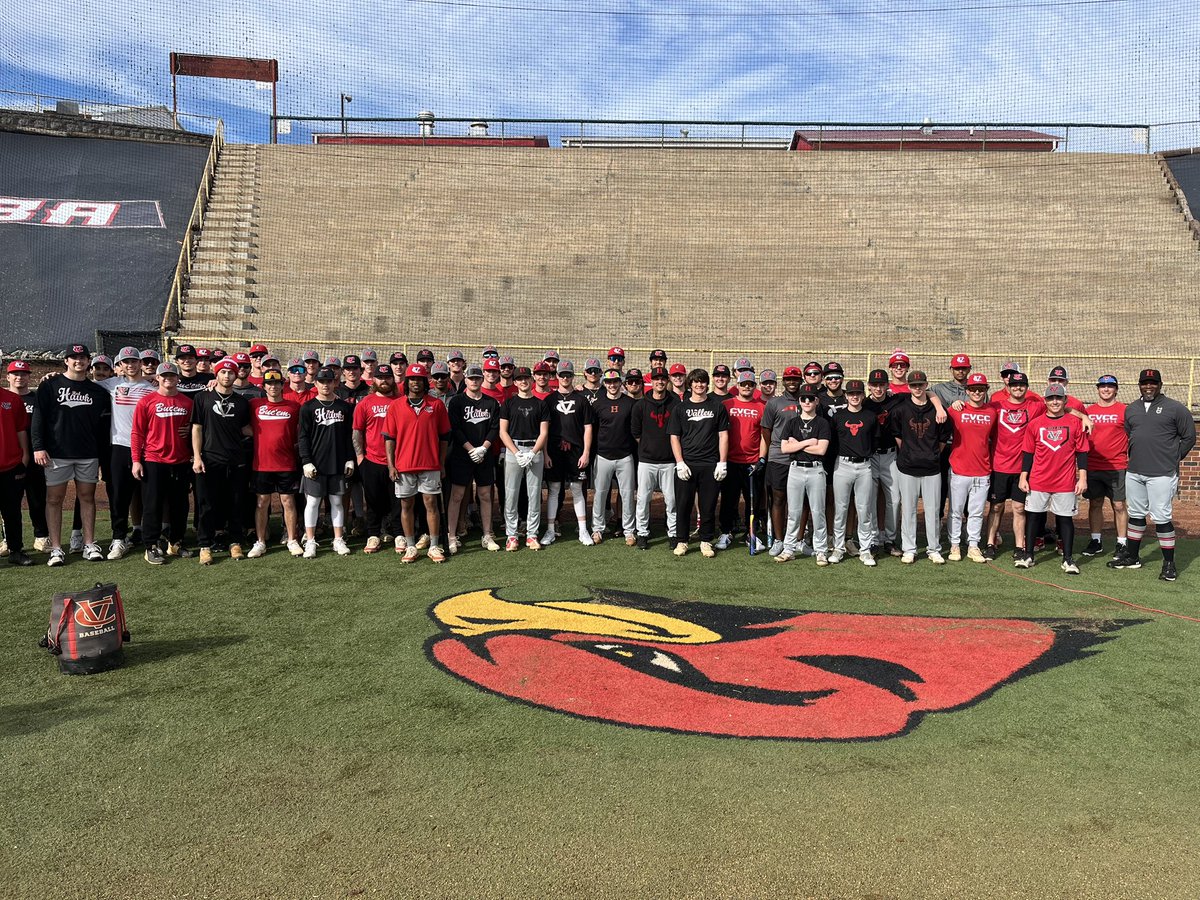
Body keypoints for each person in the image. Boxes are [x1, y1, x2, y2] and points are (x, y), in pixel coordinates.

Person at [1108, 369, 1196, 582]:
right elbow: (1131, 433)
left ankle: (1169, 564)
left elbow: (1189, 437)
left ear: (1160, 384)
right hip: (1135, 471)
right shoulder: (1133, 409)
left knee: (1161, 517)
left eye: (1153, 383)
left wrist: (1172, 458)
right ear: (1139, 385)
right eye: (1145, 383)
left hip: (1162, 474)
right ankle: (1132, 556)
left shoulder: (1175, 408)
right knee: (1136, 514)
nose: (1149, 386)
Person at [32, 344, 111, 565]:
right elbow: (38, 418)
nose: (79, 361)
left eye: (83, 357)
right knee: (54, 500)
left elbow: (102, 427)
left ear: (88, 362)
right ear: (66, 360)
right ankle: (56, 548)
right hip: (57, 453)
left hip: (87, 453)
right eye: (74, 357)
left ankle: (88, 544)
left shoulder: (97, 391)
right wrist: (38, 446)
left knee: (87, 498)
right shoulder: (50, 385)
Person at [384, 363, 452, 563]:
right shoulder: (395, 406)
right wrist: (391, 465)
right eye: (412, 379)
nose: (415, 382)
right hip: (404, 465)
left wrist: (441, 464)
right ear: (407, 382)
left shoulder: (436, 405)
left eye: (419, 379)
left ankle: (433, 545)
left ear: (425, 382)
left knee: (431, 504)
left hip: (430, 464)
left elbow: (444, 438)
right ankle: (411, 546)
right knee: (406, 505)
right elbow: (389, 438)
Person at [1018, 383, 1089, 573]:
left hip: (1064, 482)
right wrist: (1023, 477)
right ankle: (1029, 555)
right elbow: (1028, 453)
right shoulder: (1035, 424)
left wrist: (1082, 478)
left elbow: (1082, 452)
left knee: (1065, 519)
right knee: (1033, 517)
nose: (1055, 401)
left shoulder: (1075, 423)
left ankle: (1068, 559)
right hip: (1039, 479)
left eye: (1058, 398)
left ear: (1065, 400)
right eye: (1051, 398)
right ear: (1045, 401)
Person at [130, 363, 194, 564]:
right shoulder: (146, 402)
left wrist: (191, 428)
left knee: (180, 505)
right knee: (152, 505)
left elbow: (196, 429)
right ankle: (151, 545)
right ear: (157, 377)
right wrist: (135, 461)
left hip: (181, 461)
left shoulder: (187, 402)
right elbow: (137, 433)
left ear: (178, 378)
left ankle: (176, 542)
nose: (168, 379)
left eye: (172, 376)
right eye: (164, 375)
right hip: (154, 460)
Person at [95, 347, 155, 559]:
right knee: (119, 495)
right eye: (125, 362)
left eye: (134, 361)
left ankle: (151, 538)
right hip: (119, 446)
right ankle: (119, 538)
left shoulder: (151, 389)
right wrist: (53, 376)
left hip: (147, 447)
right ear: (119, 366)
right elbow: (81, 384)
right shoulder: (112, 384)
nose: (130, 365)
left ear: (140, 363)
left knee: (149, 494)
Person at [191, 357, 253, 564]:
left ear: (236, 376)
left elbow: (246, 429)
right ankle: (205, 544)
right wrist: (197, 457)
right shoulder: (202, 398)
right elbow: (197, 428)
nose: (227, 376)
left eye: (231, 372)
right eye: (223, 372)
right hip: (210, 458)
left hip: (236, 459)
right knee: (207, 504)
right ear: (216, 374)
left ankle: (235, 541)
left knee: (235, 502)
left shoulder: (242, 402)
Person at [890, 370, 951, 564]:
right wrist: (910, 452)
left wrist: (931, 454)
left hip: (932, 466)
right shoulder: (900, 408)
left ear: (926, 385)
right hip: (907, 466)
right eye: (914, 385)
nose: (917, 388)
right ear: (908, 387)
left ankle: (934, 549)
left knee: (933, 510)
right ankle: (910, 549)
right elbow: (897, 435)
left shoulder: (938, 410)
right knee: (908, 509)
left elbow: (943, 439)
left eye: (921, 384)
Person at [668, 368, 729, 558]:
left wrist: (722, 462)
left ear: (706, 384)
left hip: (709, 464)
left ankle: (705, 541)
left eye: (702, 381)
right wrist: (679, 462)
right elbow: (674, 437)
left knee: (708, 505)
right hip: (687, 464)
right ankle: (682, 541)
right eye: (695, 382)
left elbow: (723, 435)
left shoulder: (717, 407)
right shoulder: (680, 408)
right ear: (690, 384)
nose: (699, 385)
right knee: (683, 504)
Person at [984, 371, 1044, 560]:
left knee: (1019, 508)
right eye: (1014, 385)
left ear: (1027, 387)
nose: (1018, 388)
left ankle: (1020, 546)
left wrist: (1083, 416)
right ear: (1008, 387)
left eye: (1022, 385)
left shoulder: (1035, 407)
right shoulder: (996, 406)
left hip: (1022, 469)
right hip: (999, 466)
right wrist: (956, 403)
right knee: (996, 507)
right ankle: (990, 543)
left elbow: (1060, 407)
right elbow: (976, 409)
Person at [297, 367, 356, 558]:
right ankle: (311, 540)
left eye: (329, 381)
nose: (325, 385)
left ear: (335, 383)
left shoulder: (344, 407)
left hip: (338, 462)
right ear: (315, 384)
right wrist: (306, 461)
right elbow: (303, 436)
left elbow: (348, 436)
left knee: (337, 501)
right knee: (313, 502)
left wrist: (349, 458)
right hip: (315, 463)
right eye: (321, 381)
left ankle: (338, 539)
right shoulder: (308, 407)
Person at [445, 364, 502, 553]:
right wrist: (470, 449)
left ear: (482, 379)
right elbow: (455, 428)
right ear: (466, 380)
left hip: (484, 455)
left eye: (477, 378)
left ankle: (487, 534)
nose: (474, 381)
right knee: (457, 495)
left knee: (485, 494)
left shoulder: (491, 403)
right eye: (471, 378)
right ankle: (451, 536)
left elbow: (495, 428)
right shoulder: (457, 402)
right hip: (462, 454)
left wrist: (484, 449)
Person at [246, 370, 303, 558]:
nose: (273, 387)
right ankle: (260, 541)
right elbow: (242, 426)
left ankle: (292, 539)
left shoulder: (294, 407)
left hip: (287, 463)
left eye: (277, 383)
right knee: (262, 502)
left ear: (282, 385)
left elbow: (300, 433)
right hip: (261, 464)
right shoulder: (254, 405)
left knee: (288, 501)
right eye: (269, 384)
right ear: (263, 386)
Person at [540, 360, 594, 547]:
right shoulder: (549, 400)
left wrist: (586, 452)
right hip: (554, 451)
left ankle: (583, 529)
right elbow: (544, 431)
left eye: (568, 375)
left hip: (576, 451)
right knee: (554, 489)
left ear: (573, 376)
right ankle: (550, 530)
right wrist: (545, 453)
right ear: (557, 376)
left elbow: (588, 428)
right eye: (562, 374)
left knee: (578, 489)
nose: (565, 378)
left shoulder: (581, 400)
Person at [775, 386, 831, 564]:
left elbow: (821, 450)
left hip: (816, 469)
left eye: (810, 398)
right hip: (796, 469)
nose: (807, 401)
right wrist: (808, 442)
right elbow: (784, 448)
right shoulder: (792, 422)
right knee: (793, 512)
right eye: (803, 398)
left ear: (817, 401)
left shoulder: (822, 423)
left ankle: (821, 550)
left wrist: (797, 444)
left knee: (818, 512)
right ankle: (789, 549)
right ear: (799, 401)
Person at [945, 372, 996, 563]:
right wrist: (953, 404)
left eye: (981, 389)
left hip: (982, 469)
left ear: (985, 391)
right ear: (967, 390)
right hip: (959, 468)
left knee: (976, 512)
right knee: (956, 511)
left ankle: (973, 545)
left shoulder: (992, 412)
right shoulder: (956, 409)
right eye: (973, 389)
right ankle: (955, 545)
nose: (977, 392)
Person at [498, 366, 550, 551]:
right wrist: (516, 452)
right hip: (515, 450)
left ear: (531, 380)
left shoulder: (540, 404)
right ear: (515, 381)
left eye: (526, 378)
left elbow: (544, 433)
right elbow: (503, 432)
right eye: (519, 379)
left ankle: (532, 534)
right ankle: (512, 536)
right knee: (511, 494)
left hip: (534, 450)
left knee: (534, 495)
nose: (523, 382)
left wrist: (532, 452)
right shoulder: (508, 403)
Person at [828, 379, 878, 566]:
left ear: (863, 396)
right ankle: (838, 548)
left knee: (864, 509)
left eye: (858, 394)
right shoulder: (838, 417)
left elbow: (875, 441)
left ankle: (865, 550)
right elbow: (832, 442)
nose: (854, 397)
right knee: (840, 509)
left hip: (864, 465)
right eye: (851, 394)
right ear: (846, 396)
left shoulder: (870, 416)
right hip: (842, 465)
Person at [353, 363, 400, 554]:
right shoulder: (365, 402)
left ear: (393, 379)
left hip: (397, 460)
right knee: (372, 500)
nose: (384, 381)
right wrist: (360, 458)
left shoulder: (401, 401)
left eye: (388, 377)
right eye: (381, 378)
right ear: (374, 380)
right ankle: (373, 534)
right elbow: (357, 432)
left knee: (398, 500)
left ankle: (399, 534)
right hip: (371, 460)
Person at [631, 366, 679, 549]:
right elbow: (635, 432)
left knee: (672, 500)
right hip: (647, 460)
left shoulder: (675, 404)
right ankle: (642, 533)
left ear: (667, 381)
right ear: (651, 381)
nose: (660, 381)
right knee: (643, 499)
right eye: (656, 378)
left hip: (669, 461)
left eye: (663, 378)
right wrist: (648, 446)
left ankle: (673, 533)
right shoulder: (641, 405)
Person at [1082, 375, 1128, 559]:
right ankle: (1096, 541)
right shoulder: (1089, 410)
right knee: (1095, 503)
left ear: (1116, 389)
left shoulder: (1125, 410)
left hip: (1117, 466)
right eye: (1103, 386)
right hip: (1093, 465)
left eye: (1110, 386)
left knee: (1118, 505)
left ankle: (1122, 543)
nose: (1106, 390)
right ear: (1098, 388)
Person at [718, 371, 765, 550]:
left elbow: (763, 436)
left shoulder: (762, 406)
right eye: (743, 384)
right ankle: (726, 531)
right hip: (730, 460)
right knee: (729, 499)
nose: (747, 387)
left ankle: (750, 533)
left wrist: (761, 459)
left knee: (752, 501)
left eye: (750, 384)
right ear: (737, 385)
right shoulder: (726, 404)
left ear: (755, 387)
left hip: (752, 462)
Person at [5, 361, 49, 552]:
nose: (19, 377)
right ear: (7, 377)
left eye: (23, 374)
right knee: (8, 504)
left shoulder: (37, 398)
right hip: (9, 458)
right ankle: (8, 540)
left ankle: (41, 536)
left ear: (29, 376)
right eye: (15, 374)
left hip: (35, 456)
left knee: (37, 499)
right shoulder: (4, 399)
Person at [590, 368, 637, 545]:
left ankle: (629, 531)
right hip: (603, 455)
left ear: (621, 383)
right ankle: (597, 529)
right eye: (609, 382)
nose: (612, 385)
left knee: (627, 495)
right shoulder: (597, 404)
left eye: (615, 381)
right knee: (600, 495)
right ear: (604, 383)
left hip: (625, 456)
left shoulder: (630, 403)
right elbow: (592, 431)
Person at [760, 365, 803, 556]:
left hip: (803, 457)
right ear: (783, 381)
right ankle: (779, 539)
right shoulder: (774, 403)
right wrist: (776, 448)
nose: (792, 382)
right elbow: (766, 429)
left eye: (795, 379)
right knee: (778, 498)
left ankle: (798, 539)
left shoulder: (808, 400)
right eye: (788, 379)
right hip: (779, 458)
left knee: (803, 501)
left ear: (800, 381)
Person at [0, 376, 33, 566]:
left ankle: (16, 550)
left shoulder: (12, 400)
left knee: (12, 511)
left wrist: (25, 456)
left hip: (11, 465)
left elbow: (21, 430)